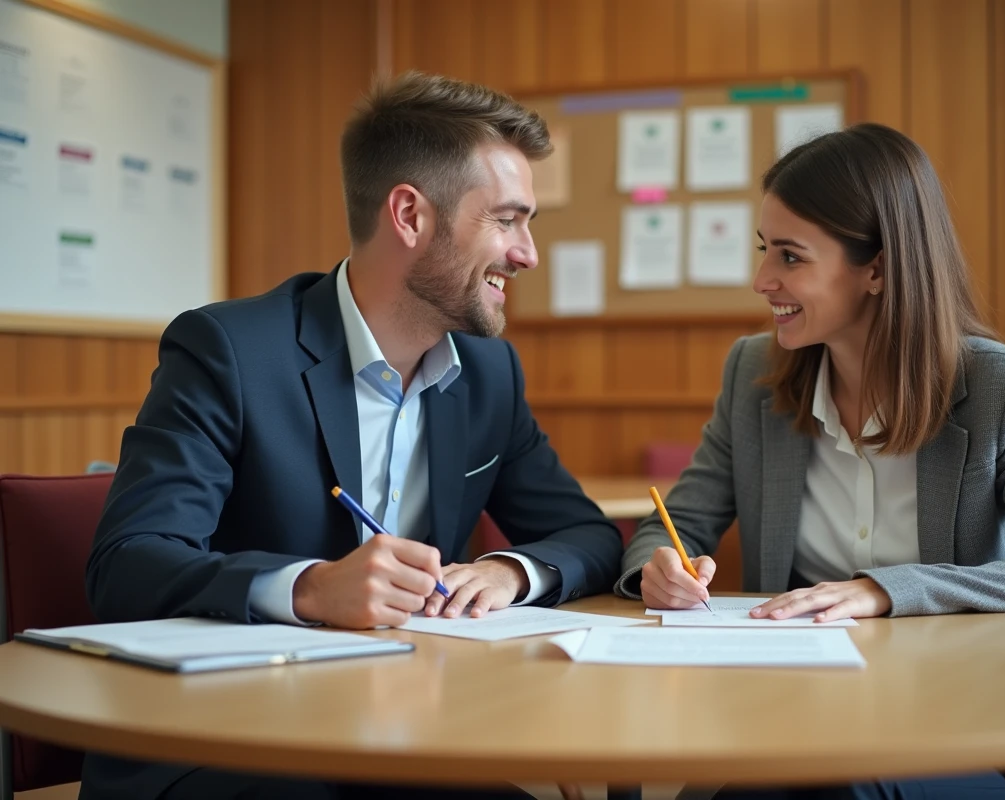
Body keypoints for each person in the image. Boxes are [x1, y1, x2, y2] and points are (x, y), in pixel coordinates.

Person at [81, 70, 623, 800]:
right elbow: (128, 562)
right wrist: (307, 589)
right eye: (506, 219)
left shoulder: (489, 372)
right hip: (230, 742)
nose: (526, 253)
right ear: (409, 215)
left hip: (412, 734)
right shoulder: (229, 351)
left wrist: (508, 572)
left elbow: (587, 535)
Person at [615, 123, 1005, 800]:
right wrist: (659, 568)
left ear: (877, 267)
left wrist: (886, 591)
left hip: (972, 727)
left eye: (791, 257)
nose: (762, 280)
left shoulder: (1004, 387)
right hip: (797, 721)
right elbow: (676, 520)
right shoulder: (752, 374)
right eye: (765, 251)